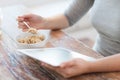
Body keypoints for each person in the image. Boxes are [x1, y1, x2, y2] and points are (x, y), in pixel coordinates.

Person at [17, 0, 120, 78]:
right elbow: (69, 17)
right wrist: (44, 22)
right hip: (95, 58)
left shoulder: (90, 65)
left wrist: (89, 66)